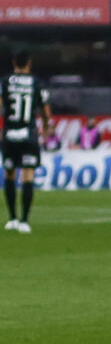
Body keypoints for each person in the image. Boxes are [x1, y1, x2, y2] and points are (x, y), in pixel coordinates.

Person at [2, 51, 51, 233]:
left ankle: (12, 218)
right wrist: (45, 131)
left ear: (14, 62)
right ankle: (24, 221)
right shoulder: (37, 83)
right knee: (28, 175)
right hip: (29, 135)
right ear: (29, 64)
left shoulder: (5, 82)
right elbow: (46, 112)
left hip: (10, 135)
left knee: (9, 174)